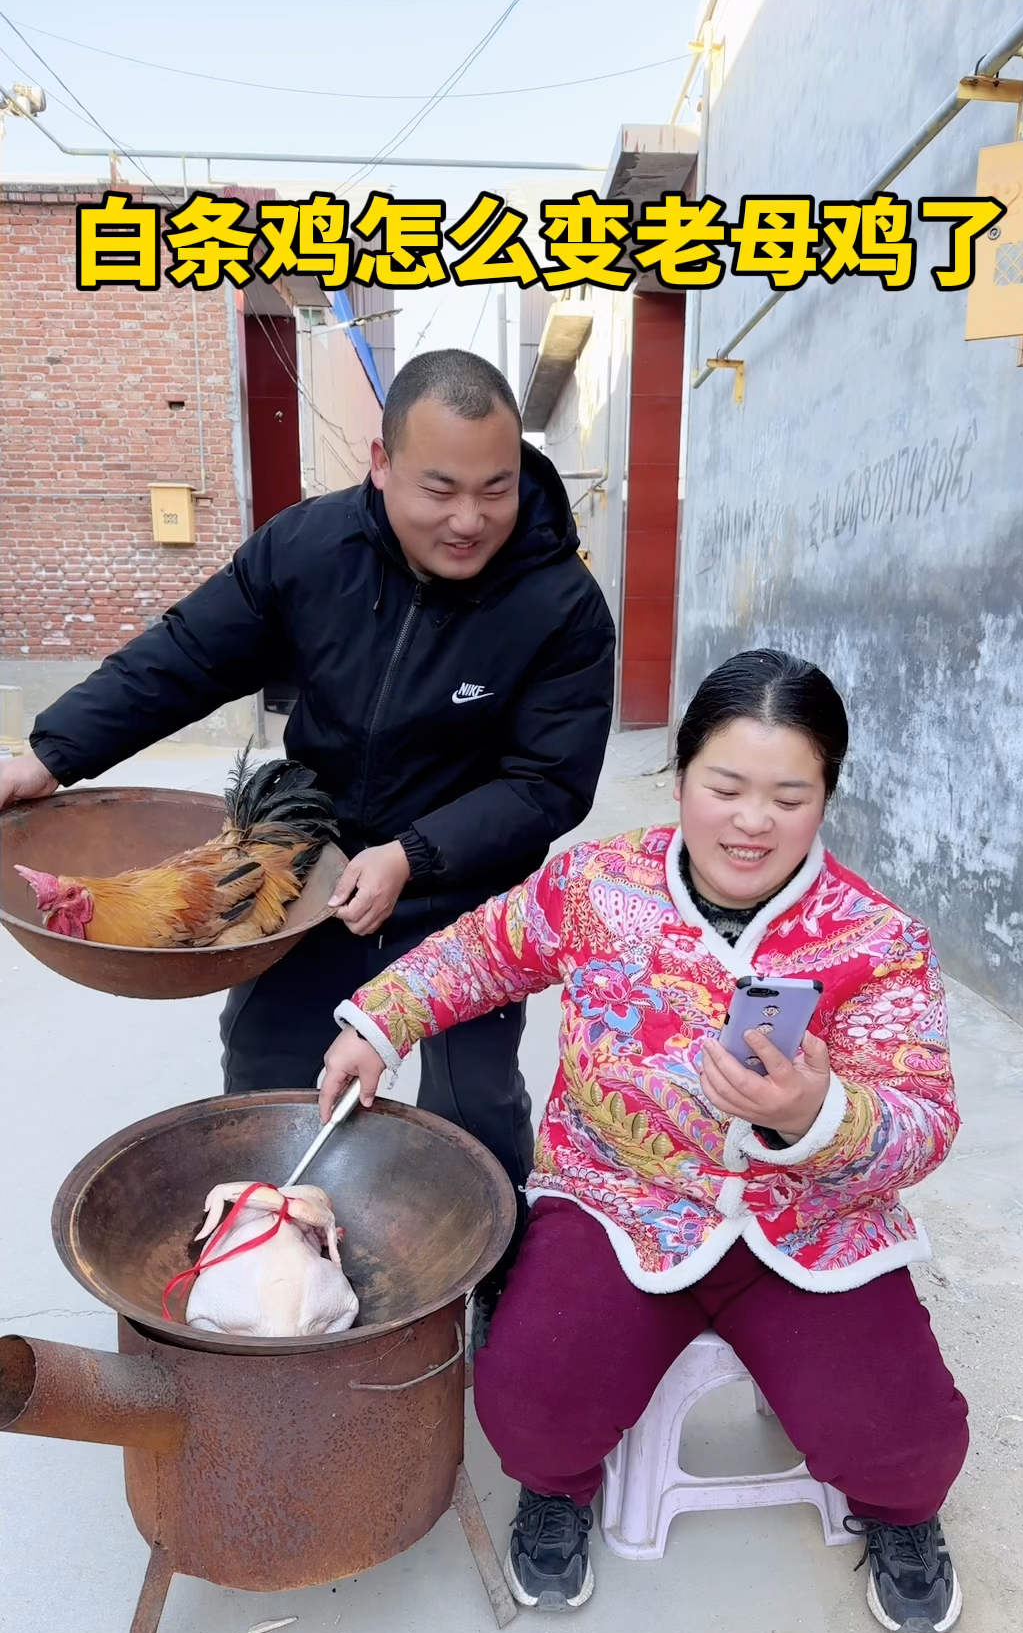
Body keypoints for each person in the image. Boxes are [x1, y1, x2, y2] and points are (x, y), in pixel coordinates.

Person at [319, 649, 969, 1633]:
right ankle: (558, 1497)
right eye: (726, 787)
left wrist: (818, 1113)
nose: (752, 822)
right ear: (681, 776)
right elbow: (484, 950)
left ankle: (901, 1520)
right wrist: (379, 1024)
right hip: (617, 1202)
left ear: (826, 798)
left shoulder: (876, 938)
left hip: (808, 1223)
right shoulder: (597, 886)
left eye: (789, 797)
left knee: (913, 1450)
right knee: (529, 1415)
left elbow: (924, 1118)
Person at [0, 349, 615, 1234]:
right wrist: (52, 753)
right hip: (309, 873)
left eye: (496, 488)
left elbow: (546, 783)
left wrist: (412, 856)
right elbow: (186, 655)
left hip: (462, 890)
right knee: (267, 1076)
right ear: (382, 461)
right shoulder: (309, 548)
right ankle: (267, 1256)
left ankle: (493, 1272)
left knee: (471, 1100)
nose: (470, 520)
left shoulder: (560, 603)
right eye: (440, 489)